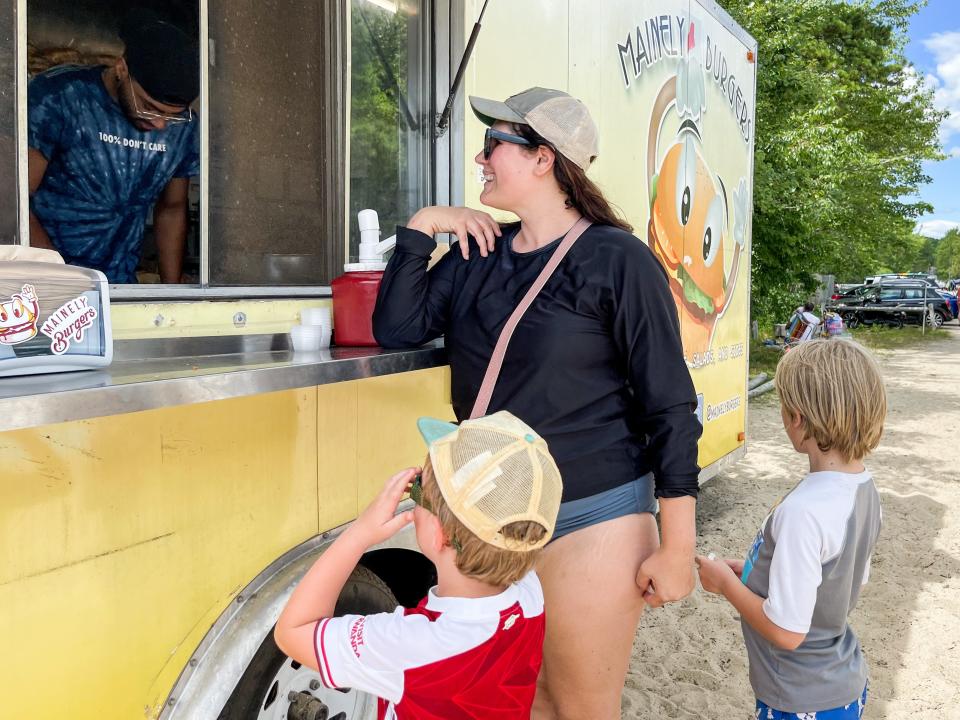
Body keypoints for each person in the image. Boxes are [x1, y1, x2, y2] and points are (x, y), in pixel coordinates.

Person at [372, 87, 701, 719]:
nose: (482, 156)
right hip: (489, 519)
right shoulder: (479, 250)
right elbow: (398, 327)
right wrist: (422, 228)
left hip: (593, 514)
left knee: (576, 705)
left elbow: (669, 403)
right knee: (514, 700)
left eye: (496, 143)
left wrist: (677, 545)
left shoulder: (616, 259)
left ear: (545, 158)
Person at [274, 411, 563, 720]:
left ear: (442, 535)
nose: (412, 491)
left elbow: (293, 631)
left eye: (417, 488)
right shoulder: (529, 593)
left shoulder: (411, 645)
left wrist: (359, 533)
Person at [697, 339, 885, 720]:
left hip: (799, 698)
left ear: (796, 417)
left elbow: (787, 633)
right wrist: (753, 576)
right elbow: (838, 580)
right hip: (840, 682)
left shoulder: (804, 511)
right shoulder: (864, 489)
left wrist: (726, 586)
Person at [28, 8, 200, 283]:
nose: (160, 125)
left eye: (173, 116)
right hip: (46, 284)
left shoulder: (186, 127)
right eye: (149, 108)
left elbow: (172, 207)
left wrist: (173, 287)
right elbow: (15, 200)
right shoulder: (58, 97)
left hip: (120, 284)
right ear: (121, 69)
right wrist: (60, 279)